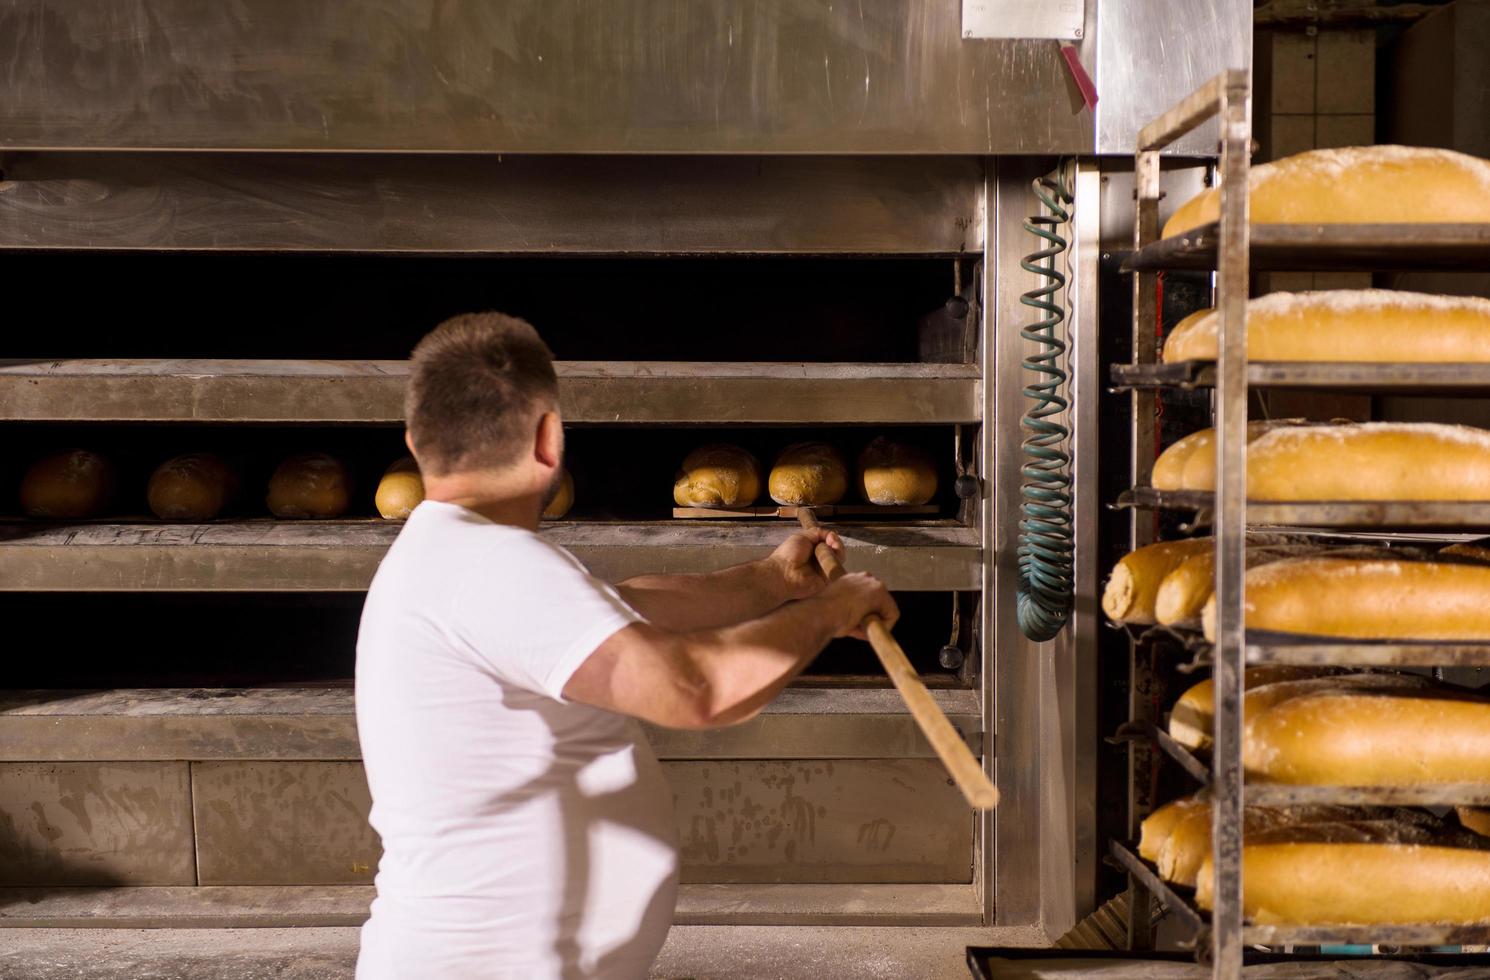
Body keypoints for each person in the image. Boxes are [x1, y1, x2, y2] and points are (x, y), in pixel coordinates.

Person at [354, 312, 899, 979]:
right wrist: (832, 611)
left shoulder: (456, 555)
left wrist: (774, 581)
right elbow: (697, 691)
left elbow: (623, 607)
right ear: (550, 439)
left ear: (414, 443)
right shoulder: (491, 566)